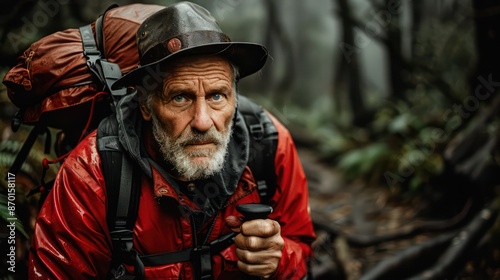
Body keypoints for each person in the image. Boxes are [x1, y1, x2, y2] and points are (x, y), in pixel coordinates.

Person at [29, 2, 316, 279]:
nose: (203, 121)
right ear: (146, 105)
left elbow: (301, 251)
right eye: (180, 97)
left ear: (234, 97)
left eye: (217, 95)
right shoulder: (91, 173)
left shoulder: (269, 143)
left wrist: (278, 260)